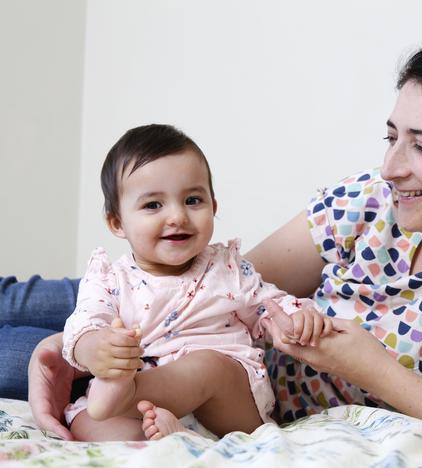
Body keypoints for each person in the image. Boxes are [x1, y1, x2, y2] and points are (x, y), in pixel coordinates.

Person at [4, 37, 422, 446]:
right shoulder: (366, 202)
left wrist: (374, 370)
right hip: (158, 305)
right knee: (18, 303)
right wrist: (73, 341)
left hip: (211, 378)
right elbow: (216, 285)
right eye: (391, 136)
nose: (391, 167)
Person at [56, 124, 333, 441]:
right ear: (117, 222)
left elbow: (268, 304)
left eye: (192, 200)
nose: (177, 216)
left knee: (205, 366)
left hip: (226, 407)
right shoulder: (108, 278)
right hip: (145, 407)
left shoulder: (226, 269)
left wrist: (298, 316)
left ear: (213, 207)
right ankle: (161, 444)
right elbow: (85, 323)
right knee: (87, 423)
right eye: (153, 205)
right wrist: (96, 349)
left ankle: (125, 396)